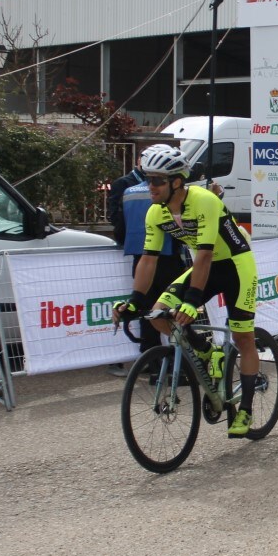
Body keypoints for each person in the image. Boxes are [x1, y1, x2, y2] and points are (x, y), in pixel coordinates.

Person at [110, 144, 260, 438]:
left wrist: (192, 301)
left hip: (235, 266)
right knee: (157, 314)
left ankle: (246, 408)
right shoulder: (155, 212)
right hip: (206, 267)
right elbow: (148, 260)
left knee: (243, 337)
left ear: (176, 181)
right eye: (146, 178)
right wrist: (134, 301)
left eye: (156, 180)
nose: (149, 186)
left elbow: (203, 255)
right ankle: (206, 352)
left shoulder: (203, 201)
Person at [108, 167, 187, 377]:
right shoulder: (164, 195)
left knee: (146, 308)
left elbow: (119, 224)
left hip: (139, 254)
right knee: (174, 310)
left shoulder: (129, 191)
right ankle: (177, 360)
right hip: (167, 255)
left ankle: (151, 358)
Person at [108, 154, 145, 246]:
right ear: (139, 160)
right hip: (130, 238)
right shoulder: (122, 183)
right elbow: (114, 214)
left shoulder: (155, 183)